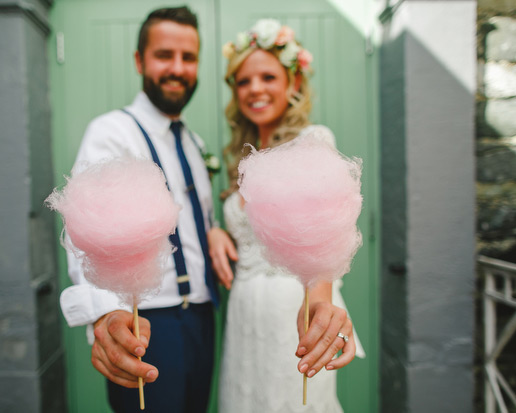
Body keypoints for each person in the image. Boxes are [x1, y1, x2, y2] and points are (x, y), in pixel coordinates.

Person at [58, 6, 233, 412]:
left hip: (204, 317)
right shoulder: (111, 133)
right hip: (146, 320)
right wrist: (105, 315)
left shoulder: (193, 141)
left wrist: (215, 229)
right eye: (164, 55)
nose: (177, 68)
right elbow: (87, 234)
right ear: (140, 60)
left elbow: (193, 219)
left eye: (188, 58)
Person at [209, 19, 365, 412]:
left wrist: (318, 303)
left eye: (268, 77)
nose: (255, 89)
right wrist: (215, 230)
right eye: (243, 81)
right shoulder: (240, 156)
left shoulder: (313, 142)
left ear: (293, 83)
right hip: (244, 313)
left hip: (293, 308)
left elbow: (323, 239)